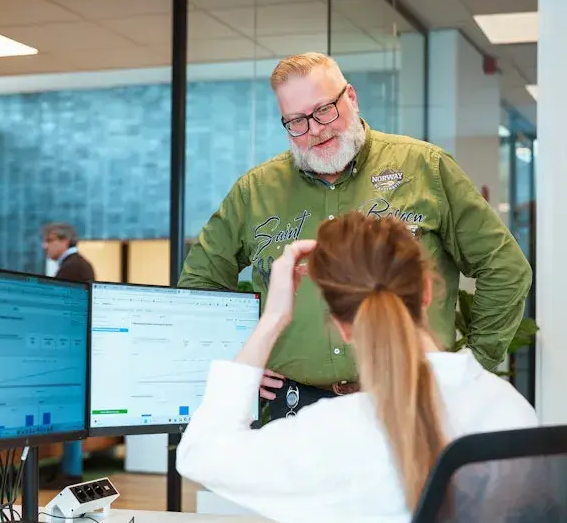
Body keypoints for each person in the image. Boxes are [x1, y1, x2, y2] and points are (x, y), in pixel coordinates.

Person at [176, 212, 538, 523]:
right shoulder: (507, 407)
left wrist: (273, 319)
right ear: (427, 292)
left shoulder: (340, 431)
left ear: (341, 327)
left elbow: (200, 453)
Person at [178, 52, 532, 421]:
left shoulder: (426, 168)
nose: (314, 129)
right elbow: (200, 284)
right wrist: (244, 355)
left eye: (323, 110)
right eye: (296, 121)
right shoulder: (255, 191)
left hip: (409, 402)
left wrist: (472, 365)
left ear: (351, 97)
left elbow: (504, 267)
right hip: (296, 412)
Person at [41, 222, 95, 488]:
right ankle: (69, 470)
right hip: (76, 349)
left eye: (49, 240)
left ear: (64, 240)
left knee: (70, 412)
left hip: (70, 351)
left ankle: (71, 474)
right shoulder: (78, 264)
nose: (45, 245)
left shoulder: (73, 267)